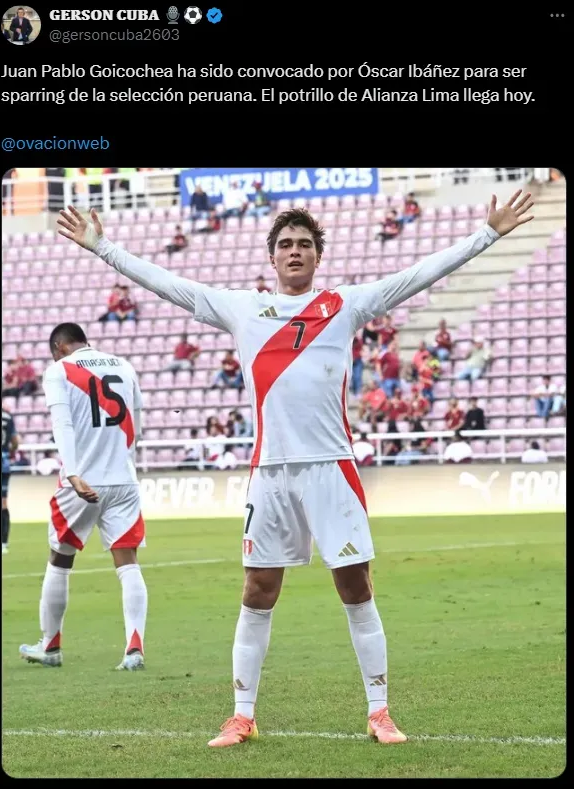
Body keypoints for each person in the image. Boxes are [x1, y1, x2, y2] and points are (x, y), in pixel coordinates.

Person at [56, 189, 534, 747]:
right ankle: (242, 715)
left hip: (332, 470)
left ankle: (379, 711)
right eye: (285, 244)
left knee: (356, 587)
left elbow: (417, 275)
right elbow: (170, 284)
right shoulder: (243, 310)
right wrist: (103, 248)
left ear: (317, 255)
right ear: (272, 256)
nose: (294, 252)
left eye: (304, 244)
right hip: (271, 473)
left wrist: (488, 235)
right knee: (258, 589)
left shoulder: (345, 304)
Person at [18, 323, 148, 672]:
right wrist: (128, 466)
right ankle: (134, 648)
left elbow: (62, 423)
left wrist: (73, 473)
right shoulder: (123, 365)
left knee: (60, 558)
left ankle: (50, 645)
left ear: (59, 347)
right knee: (128, 562)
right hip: (123, 480)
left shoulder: (59, 371)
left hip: (82, 481)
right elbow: (137, 419)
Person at [2, 402, 19, 554]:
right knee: (3, 504)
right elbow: (15, 441)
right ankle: (4, 542)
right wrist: (11, 452)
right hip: (4, 462)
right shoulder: (7, 417)